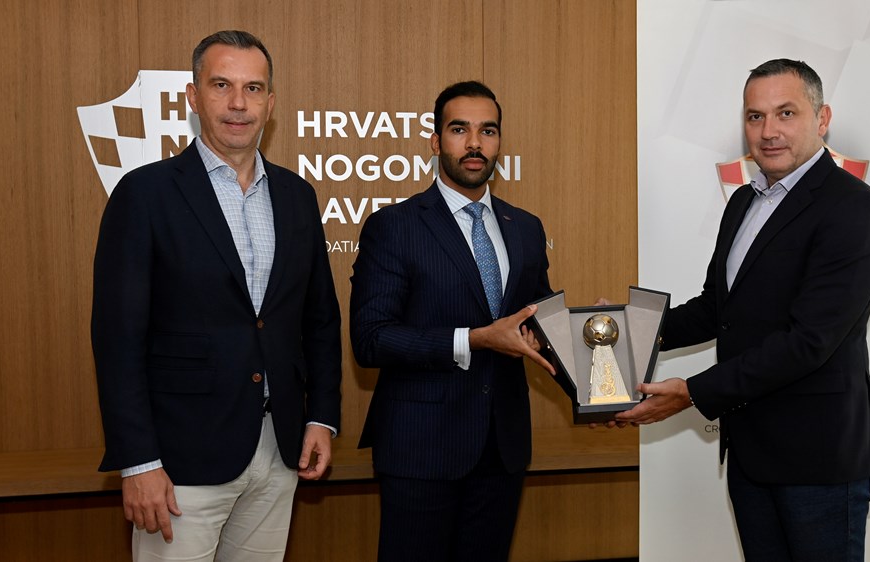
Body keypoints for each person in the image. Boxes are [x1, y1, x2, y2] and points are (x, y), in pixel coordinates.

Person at [616, 59, 870, 561]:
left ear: (822, 118)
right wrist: (622, 329)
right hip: (751, 452)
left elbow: (808, 342)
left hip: (819, 459)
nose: (768, 132)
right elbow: (716, 310)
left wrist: (692, 392)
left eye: (786, 113)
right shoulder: (743, 201)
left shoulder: (852, 207)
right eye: (755, 116)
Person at [91, 30, 342, 561]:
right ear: (193, 96)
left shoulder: (297, 196)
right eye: (221, 85)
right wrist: (138, 462)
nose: (238, 104)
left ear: (270, 103)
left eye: (253, 89)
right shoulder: (145, 194)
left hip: (278, 451)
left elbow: (319, 319)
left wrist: (321, 417)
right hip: (178, 463)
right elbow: (118, 339)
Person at [350, 80, 555, 562]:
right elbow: (371, 339)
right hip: (421, 448)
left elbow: (538, 319)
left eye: (488, 131)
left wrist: (591, 335)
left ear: (500, 142)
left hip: (502, 448)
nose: (475, 143)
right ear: (435, 140)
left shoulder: (525, 227)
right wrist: (475, 339)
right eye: (460, 130)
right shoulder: (395, 226)